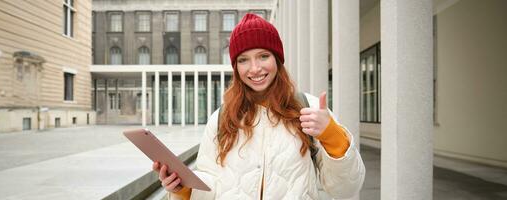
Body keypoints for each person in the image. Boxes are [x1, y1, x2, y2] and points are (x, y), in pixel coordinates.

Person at [153, 13, 365, 200]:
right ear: (236, 67)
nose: (254, 69)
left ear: (277, 60)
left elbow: (346, 188)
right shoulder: (221, 118)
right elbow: (211, 186)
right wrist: (184, 190)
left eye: (263, 56)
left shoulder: (308, 109)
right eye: (244, 60)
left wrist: (332, 136)